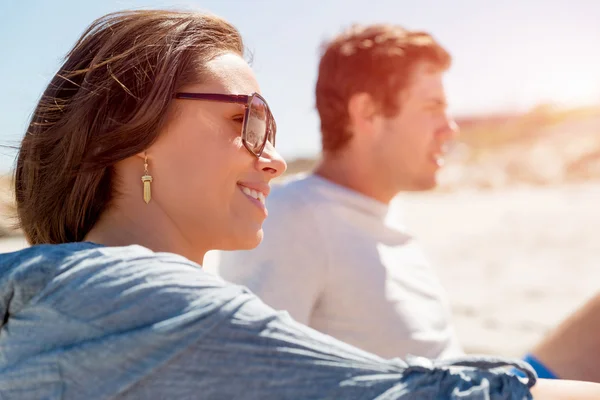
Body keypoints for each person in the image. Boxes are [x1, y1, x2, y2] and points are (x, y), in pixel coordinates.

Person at [1, 8, 599, 399]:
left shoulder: (50, 289)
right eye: (246, 120)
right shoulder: (161, 305)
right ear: (131, 132)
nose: (276, 159)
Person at [216, 23, 462, 360]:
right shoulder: (292, 220)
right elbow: (250, 375)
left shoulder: (381, 213)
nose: (450, 128)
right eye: (432, 107)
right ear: (367, 112)